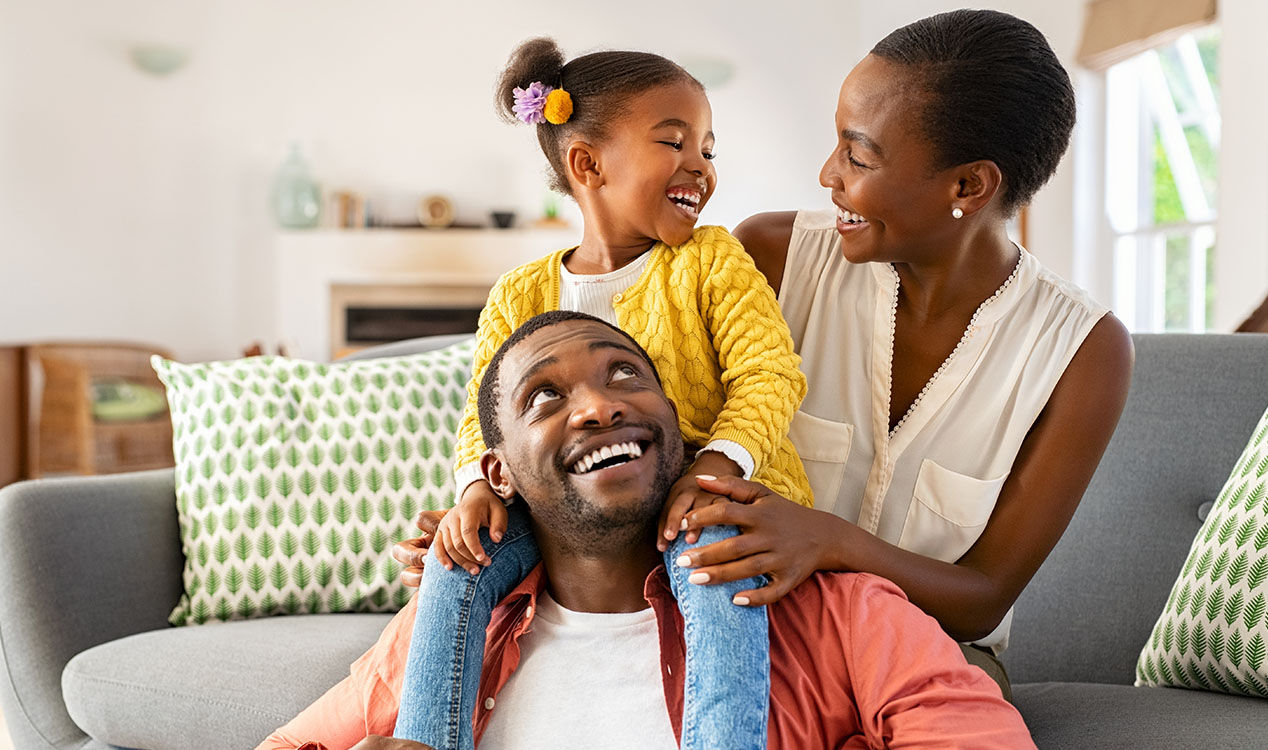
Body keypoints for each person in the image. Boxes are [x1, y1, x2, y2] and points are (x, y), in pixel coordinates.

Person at [258, 311, 1035, 750]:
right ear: (499, 474)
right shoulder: (446, 632)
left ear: (679, 432)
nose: (600, 405)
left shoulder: (842, 615)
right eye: (545, 397)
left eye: (625, 374)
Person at [656, 8, 1134, 694]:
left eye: (858, 156)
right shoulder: (769, 260)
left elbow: (983, 598)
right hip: (750, 628)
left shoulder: (1084, 354)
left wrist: (831, 541)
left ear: (968, 186)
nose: (828, 174)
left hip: (931, 657)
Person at [394, 39, 812, 750]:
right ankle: (424, 740)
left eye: (708, 149)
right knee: (454, 560)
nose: (701, 166)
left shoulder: (712, 260)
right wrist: (476, 489)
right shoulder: (519, 293)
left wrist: (717, 467)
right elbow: (482, 414)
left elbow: (770, 374)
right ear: (588, 164)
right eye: (674, 142)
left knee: (711, 551)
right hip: (573, 518)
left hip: (711, 493)